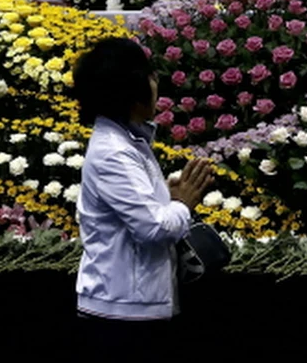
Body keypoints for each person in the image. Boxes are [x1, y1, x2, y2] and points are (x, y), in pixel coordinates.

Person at [73, 37, 215, 349]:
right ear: (130, 91)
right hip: (121, 316)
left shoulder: (128, 141)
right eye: (149, 74)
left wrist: (166, 194)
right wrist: (182, 203)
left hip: (135, 308)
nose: (155, 82)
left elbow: (137, 209)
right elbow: (154, 228)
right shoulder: (114, 152)